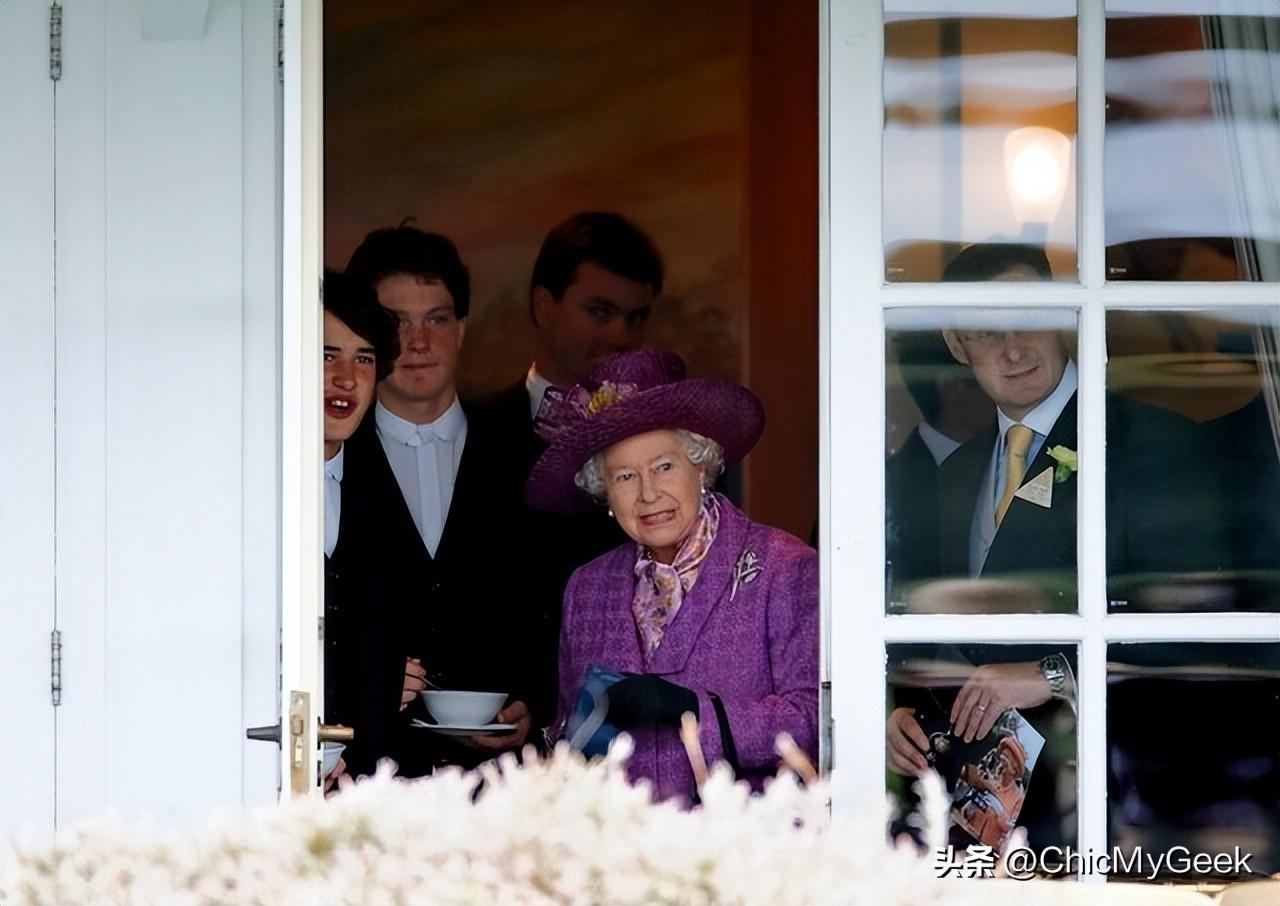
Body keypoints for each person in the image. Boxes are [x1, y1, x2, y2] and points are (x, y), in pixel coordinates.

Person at [525, 349, 819, 805]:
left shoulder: (783, 566)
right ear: (603, 491)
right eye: (624, 476)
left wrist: (687, 707)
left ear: (701, 465)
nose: (648, 494)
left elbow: (816, 721)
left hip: (747, 852)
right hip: (620, 853)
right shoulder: (587, 588)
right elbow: (572, 740)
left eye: (665, 466)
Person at [340, 224, 535, 778]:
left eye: (436, 319)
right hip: (366, 778)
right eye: (396, 322)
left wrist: (533, 708)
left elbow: (554, 602)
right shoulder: (326, 461)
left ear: (462, 328)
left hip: (504, 786)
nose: (418, 342)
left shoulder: (524, 453)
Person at [478, 212, 665, 728]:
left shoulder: (668, 446)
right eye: (600, 311)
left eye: (636, 317)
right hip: (498, 738)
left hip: (634, 732)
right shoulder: (473, 431)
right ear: (543, 303)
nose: (621, 335)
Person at [319, 269, 399, 789]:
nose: (347, 377)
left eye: (364, 359)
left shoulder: (377, 497)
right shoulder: (247, 489)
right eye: (328, 355)